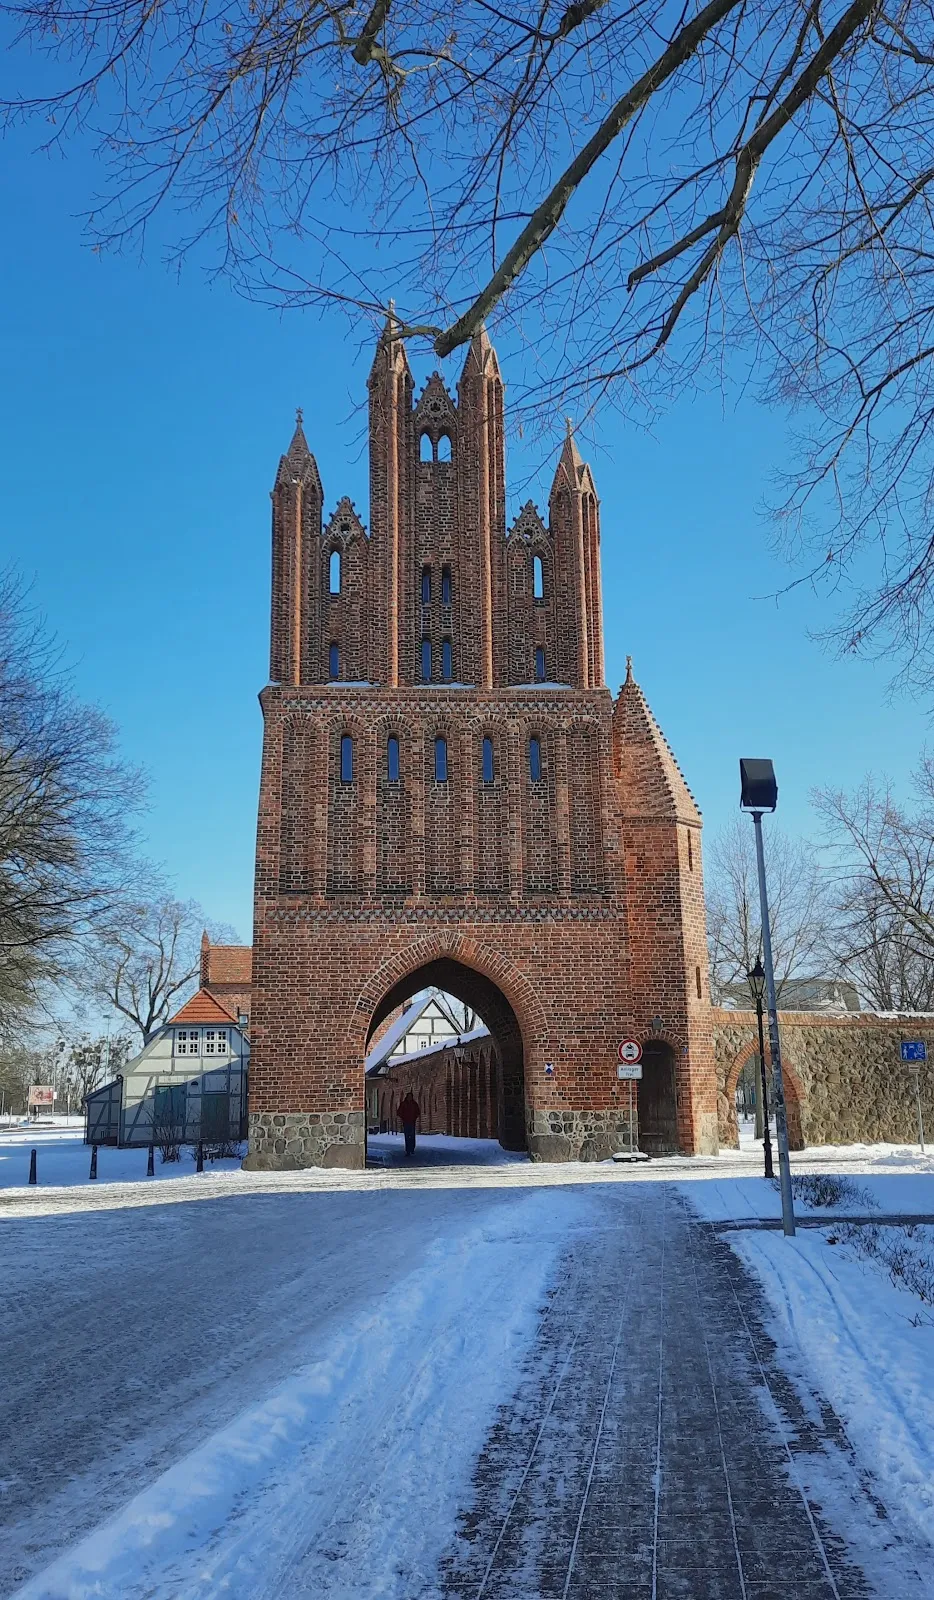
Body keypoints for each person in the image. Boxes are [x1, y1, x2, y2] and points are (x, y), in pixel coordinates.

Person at [397, 1091, 421, 1157]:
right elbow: (399, 1112)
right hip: (406, 1122)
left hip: (412, 1122)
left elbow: (418, 1112)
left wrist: (415, 1117)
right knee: (407, 1137)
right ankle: (408, 1150)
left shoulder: (414, 1104)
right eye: (409, 1097)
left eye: (411, 1097)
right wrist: (403, 1117)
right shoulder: (403, 1104)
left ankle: (412, 1148)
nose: (410, 1098)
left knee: (412, 1136)